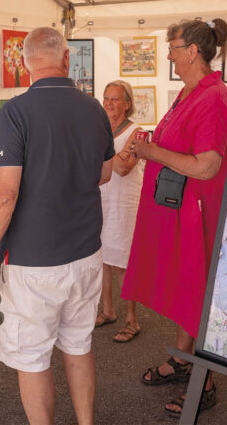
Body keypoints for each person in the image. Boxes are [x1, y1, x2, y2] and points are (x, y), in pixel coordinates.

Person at [0, 27, 114, 425]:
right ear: (67, 59)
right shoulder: (96, 110)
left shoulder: (16, 112)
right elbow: (104, 174)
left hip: (34, 260)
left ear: (23, 64)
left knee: (32, 358)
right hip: (86, 252)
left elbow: (4, 194)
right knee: (78, 346)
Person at [122, 18, 227, 418]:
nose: (168, 54)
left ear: (193, 52)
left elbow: (207, 166)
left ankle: (203, 383)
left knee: (197, 291)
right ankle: (184, 361)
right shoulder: (191, 92)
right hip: (177, 208)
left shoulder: (214, 97)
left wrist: (153, 153)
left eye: (172, 47)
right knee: (188, 290)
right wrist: (150, 144)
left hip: (196, 213)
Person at [95, 80, 145, 343]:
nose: (109, 104)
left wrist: (100, 150)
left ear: (127, 103)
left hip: (125, 203)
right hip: (101, 199)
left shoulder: (138, 132)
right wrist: (112, 153)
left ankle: (132, 319)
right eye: (106, 98)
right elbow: (116, 160)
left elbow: (124, 167)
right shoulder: (101, 129)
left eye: (115, 99)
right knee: (102, 258)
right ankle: (108, 310)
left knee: (123, 263)